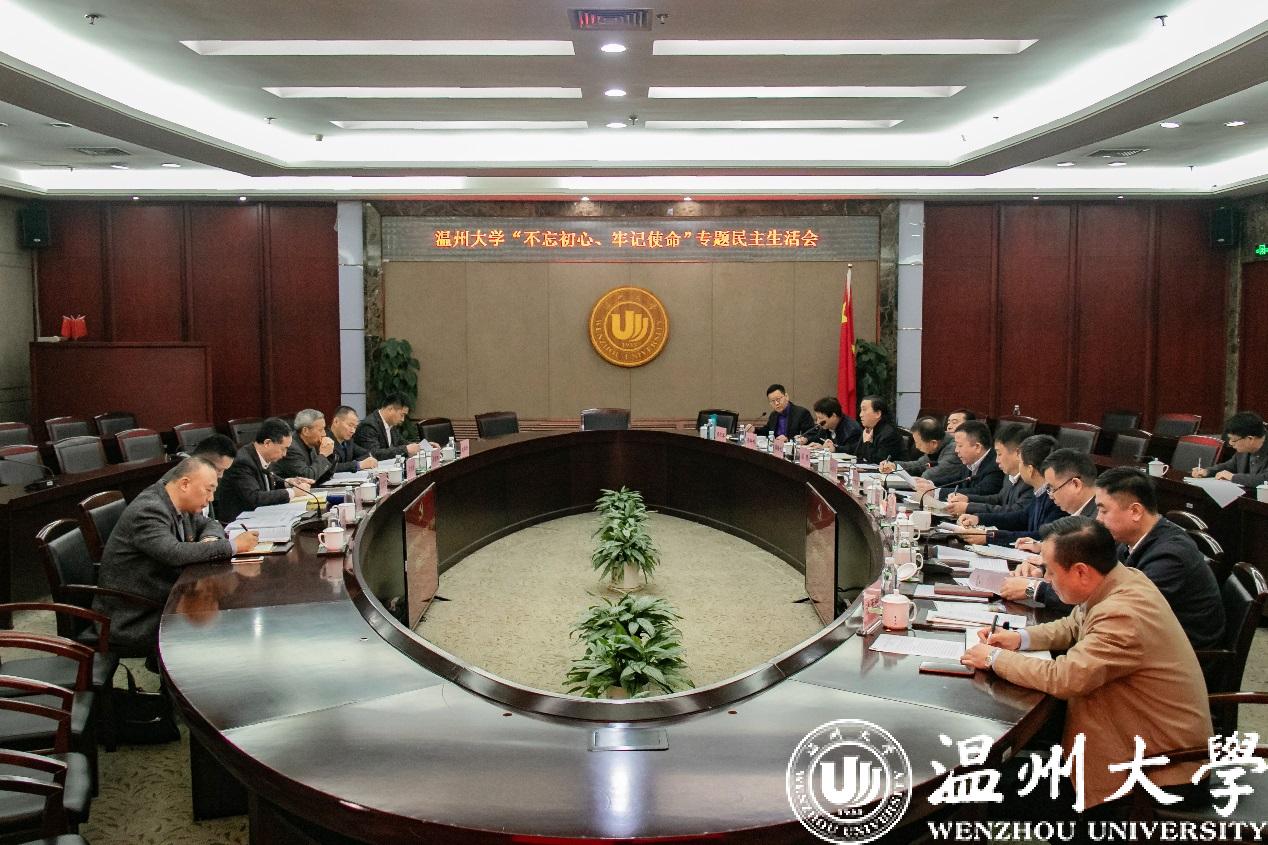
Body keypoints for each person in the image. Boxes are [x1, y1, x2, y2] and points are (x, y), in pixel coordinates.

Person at [961, 516, 1212, 813]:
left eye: (1050, 572)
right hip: (1124, 736)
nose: (1046, 580)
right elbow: (1073, 625)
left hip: (1156, 771)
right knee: (992, 774)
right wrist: (1019, 638)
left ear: (1081, 571)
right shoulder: (1119, 579)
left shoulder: (1124, 613)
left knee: (979, 791)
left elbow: (1065, 678)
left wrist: (994, 658)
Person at [1010, 467, 1225, 649]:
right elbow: (1096, 578)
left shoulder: (1170, 557)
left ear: (1135, 511)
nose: (1098, 519)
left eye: (1103, 511)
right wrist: (1048, 571)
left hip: (1173, 659)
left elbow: (1111, 607)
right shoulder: (1128, 539)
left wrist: (1035, 589)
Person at [94, 456, 259, 655]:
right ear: (185, 484)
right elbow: (174, 553)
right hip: (135, 614)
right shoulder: (149, 510)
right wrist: (233, 546)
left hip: (164, 596)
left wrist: (209, 540)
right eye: (208, 490)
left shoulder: (177, 502)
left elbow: (210, 523)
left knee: (222, 623)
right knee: (213, 637)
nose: (211, 498)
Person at [957, 435, 1063, 547]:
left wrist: (989, 537)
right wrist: (979, 518)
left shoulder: (1055, 498)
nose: (1019, 466)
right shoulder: (1040, 492)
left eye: (1020, 462)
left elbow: (1041, 537)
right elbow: (1021, 517)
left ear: (1030, 470)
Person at [215, 417, 313, 524]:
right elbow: (254, 498)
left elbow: (265, 483)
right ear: (267, 443)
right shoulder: (243, 462)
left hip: (259, 516)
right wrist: (292, 492)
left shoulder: (261, 456)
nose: (285, 454)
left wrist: (288, 482)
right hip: (239, 523)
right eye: (283, 448)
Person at [944, 423, 1034, 517]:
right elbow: (999, 499)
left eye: (999, 454)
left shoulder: (1030, 481)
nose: (997, 460)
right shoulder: (1009, 474)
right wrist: (967, 499)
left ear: (1018, 454)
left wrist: (969, 508)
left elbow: (1014, 512)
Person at [911, 420, 1004, 501]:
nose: (956, 450)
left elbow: (981, 492)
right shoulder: (970, 461)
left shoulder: (996, 465)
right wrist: (929, 483)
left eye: (960, 445)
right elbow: (957, 479)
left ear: (977, 447)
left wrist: (936, 492)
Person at [162, 433, 237, 521]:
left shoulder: (202, 478)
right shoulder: (176, 482)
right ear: (204, 461)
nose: (221, 476)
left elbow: (205, 522)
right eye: (219, 470)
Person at [879, 416, 964, 485]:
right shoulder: (938, 445)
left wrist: (916, 480)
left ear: (933, 443)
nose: (916, 447)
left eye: (918, 443)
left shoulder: (954, 449)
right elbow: (920, 465)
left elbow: (932, 476)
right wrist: (895, 466)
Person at [1192, 411, 1268, 486]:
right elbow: (1230, 466)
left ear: (1250, 439)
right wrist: (1207, 471)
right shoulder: (1244, 447)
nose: (1230, 443)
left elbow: (1264, 479)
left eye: (1234, 440)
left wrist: (1233, 477)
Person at [275, 409, 339, 484]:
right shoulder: (291, 447)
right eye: (320, 430)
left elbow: (321, 477)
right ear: (305, 431)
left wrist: (330, 455)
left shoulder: (310, 444)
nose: (324, 434)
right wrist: (323, 455)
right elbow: (307, 478)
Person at [354, 393, 423, 460]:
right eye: (402, 415)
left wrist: (418, 446)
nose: (403, 419)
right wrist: (405, 449)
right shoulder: (369, 426)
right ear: (390, 409)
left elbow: (400, 441)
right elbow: (374, 454)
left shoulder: (391, 423)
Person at [748, 384, 814, 442]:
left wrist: (788, 440)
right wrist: (754, 430)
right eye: (772, 401)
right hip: (776, 449)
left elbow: (810, 434)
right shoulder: (773, 415)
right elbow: (768, 431)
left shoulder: (802, 413)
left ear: (786, 396)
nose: (776, 403)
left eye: (778, 399)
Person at [795, 397, 861, 453]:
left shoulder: (852, 430)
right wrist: (806, 440)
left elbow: (852, 450)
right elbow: (818, 439)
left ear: (833, 416)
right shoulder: (825, 426)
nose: (818, 422)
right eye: (817, 418)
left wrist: (835, 449)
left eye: (820, 418)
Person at [854, 395, 904, 463]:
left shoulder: (889, 434)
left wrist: (867, 443)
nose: (860, 415)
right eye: (861, 410)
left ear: (878, 414)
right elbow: (858, 456)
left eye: (864, 410)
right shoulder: (869, 429)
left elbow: (879, 461)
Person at [329, 406, 378, 472]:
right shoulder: (324, 440)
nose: (353, 431)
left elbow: (367, 453)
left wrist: (363, 462)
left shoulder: (348, 442)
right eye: (350, 425)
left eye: (355, 427)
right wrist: (357, 465)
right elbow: (328, 467)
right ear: (336, 422)